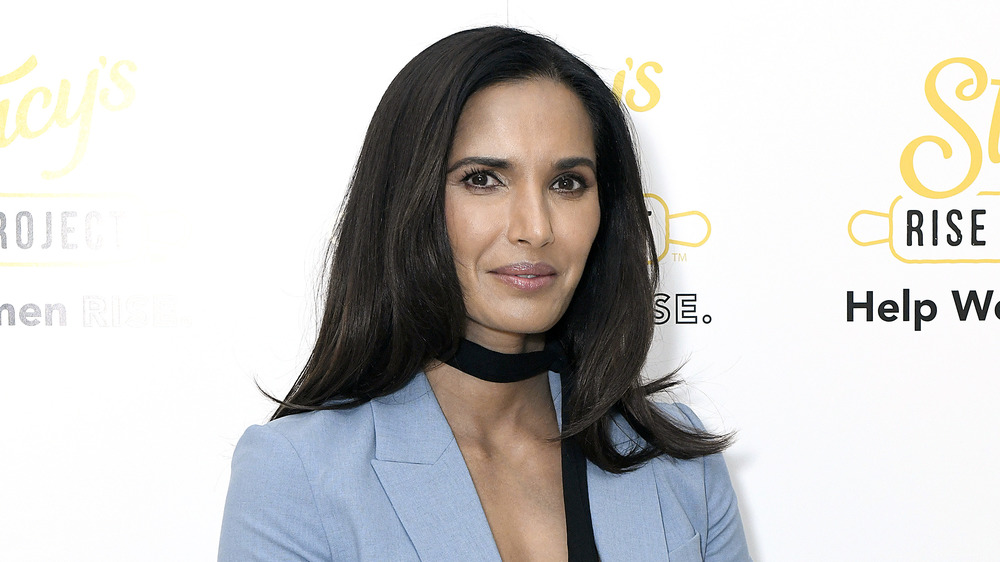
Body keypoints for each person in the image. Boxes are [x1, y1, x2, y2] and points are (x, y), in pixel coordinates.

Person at [219, 26, 751, 561]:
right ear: (409, 198)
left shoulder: (680, 462)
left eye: (567, 183)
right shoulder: (299, 473)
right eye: (483, 179)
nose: (535, 228)